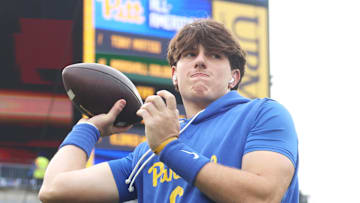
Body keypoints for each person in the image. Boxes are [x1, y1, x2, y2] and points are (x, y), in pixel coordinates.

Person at [39, 19, 298, 203]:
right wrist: (89, 128)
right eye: (189, 54)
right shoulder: (146, 154)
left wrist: (169, 147)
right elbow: (54, 189)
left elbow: (262, 197)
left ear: (234, 76)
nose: (200, 60)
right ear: (175, 75)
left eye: (215, 55)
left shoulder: (262, 114)